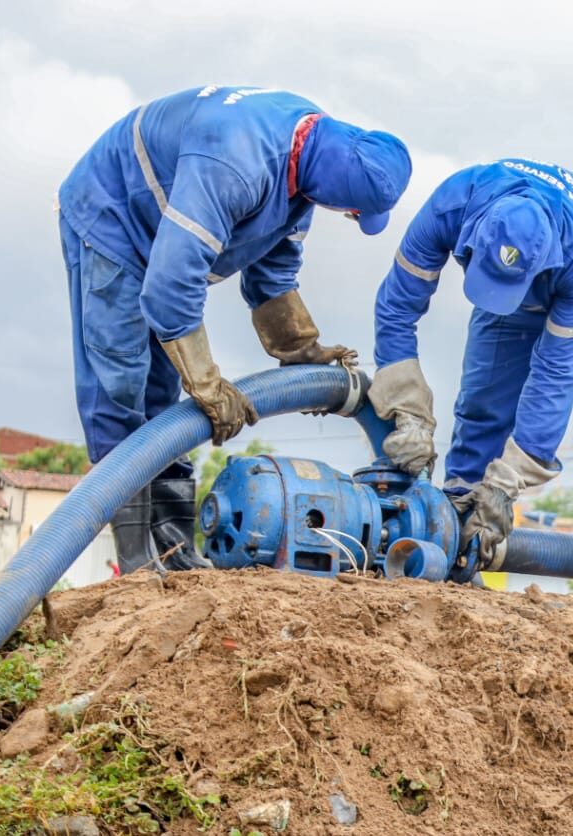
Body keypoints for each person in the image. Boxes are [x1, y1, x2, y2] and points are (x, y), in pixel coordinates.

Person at [58, 85, 412, 575]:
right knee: (120, 380)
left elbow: (273, 270)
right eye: (352, 212)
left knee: (160, 398)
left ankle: (175, 546)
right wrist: (206, 384)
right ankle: (137, 558)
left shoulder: (310, 160)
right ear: (338, 193)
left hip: (163, 232)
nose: (349, 217)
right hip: (113, 215)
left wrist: (298, 348)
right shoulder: (236, 164)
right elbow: (169, 287)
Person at [368, 159, 573, 601]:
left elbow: (555, 374)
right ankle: (459, 543)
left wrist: (507, 483)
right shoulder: (452, 204)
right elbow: (396, 307)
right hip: (529, 269)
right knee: (484, 394)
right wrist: (406, 406)